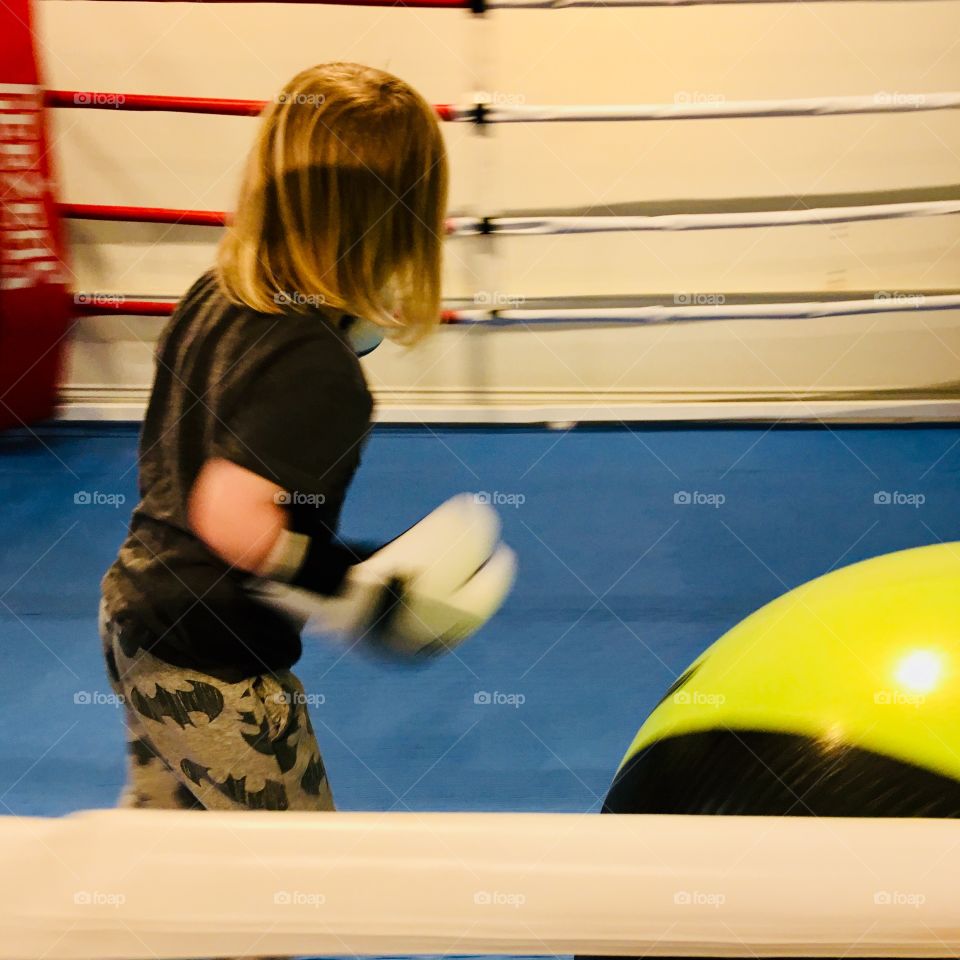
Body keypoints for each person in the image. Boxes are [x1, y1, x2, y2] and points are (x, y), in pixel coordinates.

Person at [100, 62, 512, 819]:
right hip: (211, 660)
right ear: (404, 219)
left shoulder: (220, 292)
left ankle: (86, 922)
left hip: (139, 609)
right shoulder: (319, 371)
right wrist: (355, 586)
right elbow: (229, 513)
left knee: (162, 841)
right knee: (295, 871)